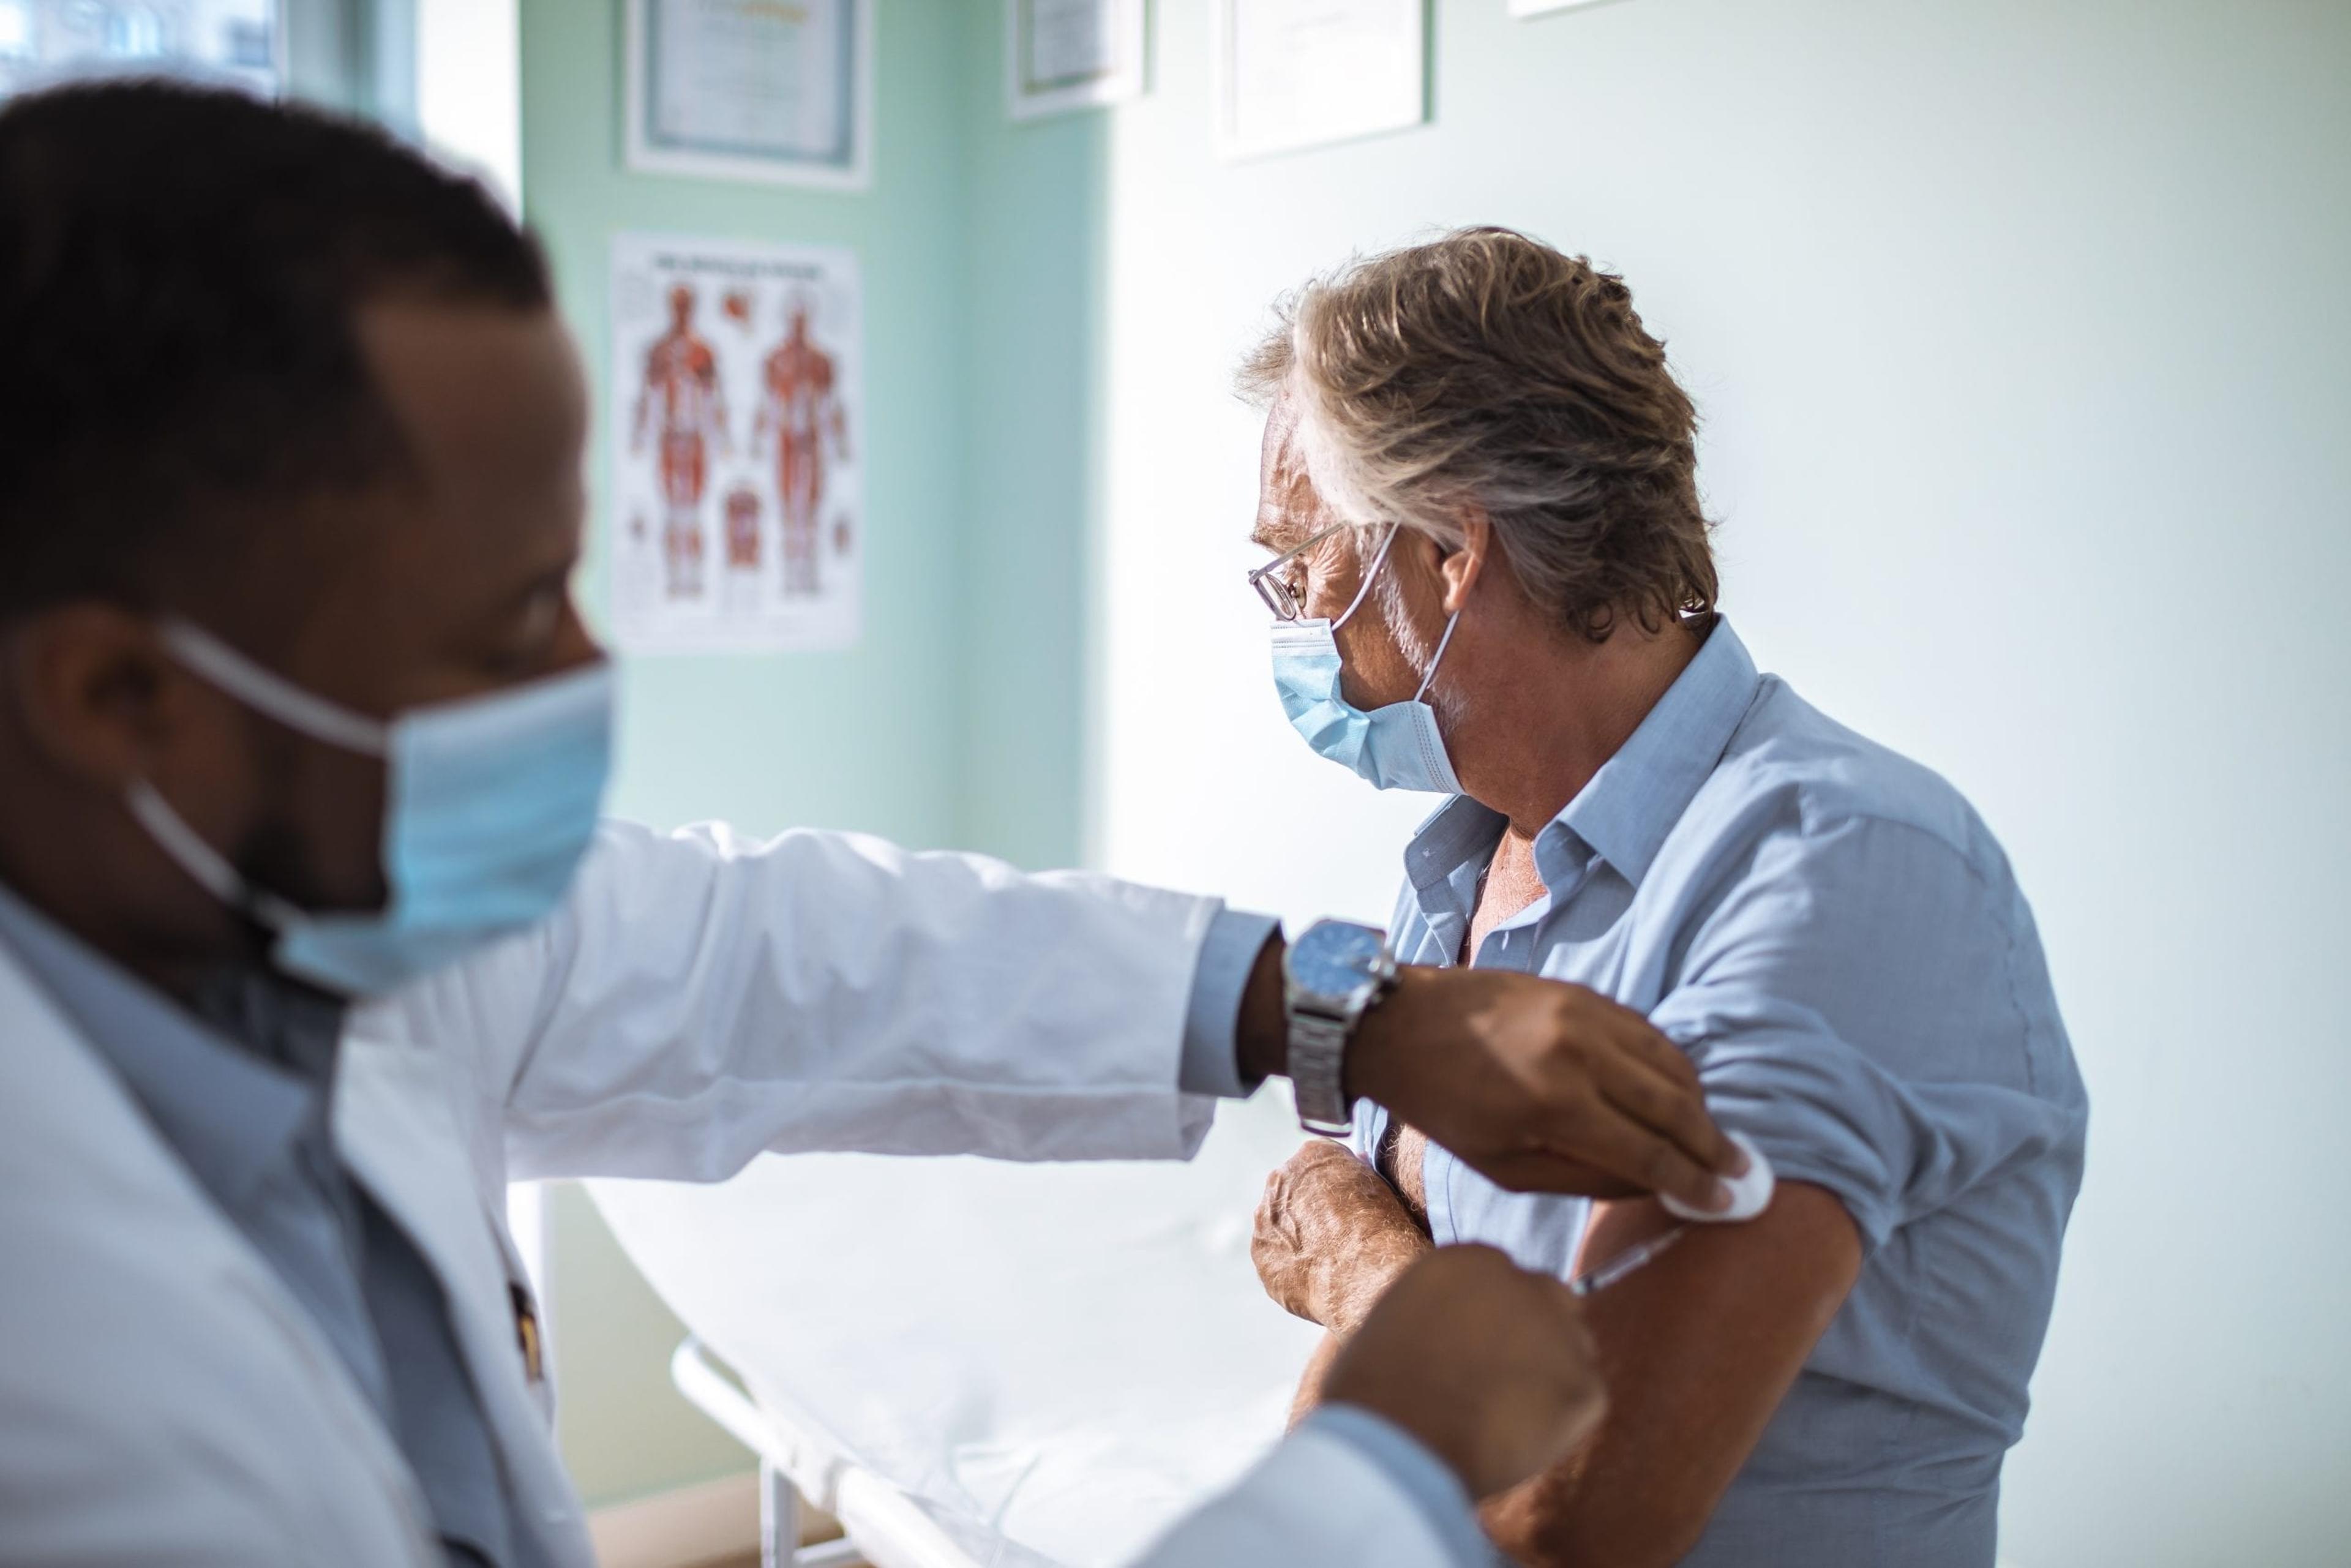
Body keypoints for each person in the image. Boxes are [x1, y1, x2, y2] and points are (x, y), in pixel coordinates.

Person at [0, 87, 1744, 1568]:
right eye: (504, 617)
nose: (589, 671)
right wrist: (1383, 1469)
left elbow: (777, 959)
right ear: (118, 697)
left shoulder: (294, 915)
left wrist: (1341, 1012)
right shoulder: (67, 1389)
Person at [1241, 228, 2090, 1567]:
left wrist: (1358, 1265)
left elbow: (1574, 1515)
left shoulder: (1844, 875)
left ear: (1452, 554)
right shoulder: (1464, 868)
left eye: (1303, 568)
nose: (1297, 623)